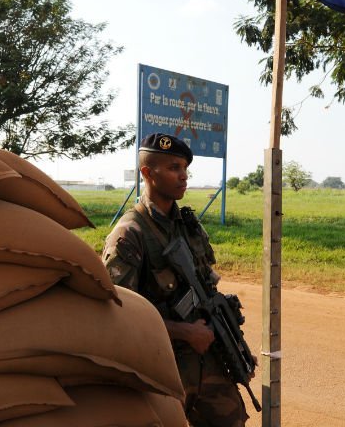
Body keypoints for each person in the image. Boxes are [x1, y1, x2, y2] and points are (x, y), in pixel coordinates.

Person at [102, 133, 248, 426]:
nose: (183, 176)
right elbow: (118, 313)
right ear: (147, 173)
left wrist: (236, 347)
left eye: (184, 168)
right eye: (173, 168)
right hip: (159, 365)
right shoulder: (130, 234)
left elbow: (209, 292)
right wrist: (184, 332)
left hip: (205, 359)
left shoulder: (188, 226)